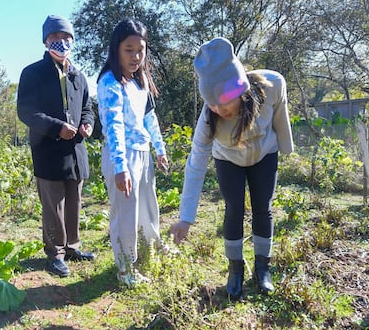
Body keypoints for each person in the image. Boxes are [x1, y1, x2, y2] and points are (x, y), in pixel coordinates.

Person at [170, 37, 294, 300]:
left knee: (263, 207)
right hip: (228, 160)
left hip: (264, 154)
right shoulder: (209, 118)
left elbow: (281, 115)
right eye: (211, 103)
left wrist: (286, 148)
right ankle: (235, 268)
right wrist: (186, 217)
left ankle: (263, 268)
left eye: (223, 101)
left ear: (241, 89)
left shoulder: (273, 85)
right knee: (234, 208)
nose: (218, 109)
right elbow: (195, 164)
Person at [17, 15, 95, 278]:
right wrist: (56, 127)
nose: (61, 43)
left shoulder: (79, 76)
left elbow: (87, 108)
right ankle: (55, 253)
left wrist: (87, 124)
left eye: (65, 39)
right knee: (54, 206)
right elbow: (26, 111)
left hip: (76, 151)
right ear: (45, 41)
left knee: (74, 202)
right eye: (55, 39)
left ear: (72, 41)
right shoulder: (33, 73)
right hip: (48, 151)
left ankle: (73, 248)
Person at [96, 19, 169, 287]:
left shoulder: (140, 81)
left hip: (142, 153)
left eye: (140, 50)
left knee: (148, 207)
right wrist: (120, 166)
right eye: (129, 50)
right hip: (121, 156)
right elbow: (113, 125)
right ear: (116, 49)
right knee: (125, 214)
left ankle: (154, 247)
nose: (136, 56)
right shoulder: (109, 82)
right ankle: (126, 269)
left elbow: (150, 118)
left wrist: (159, 149)